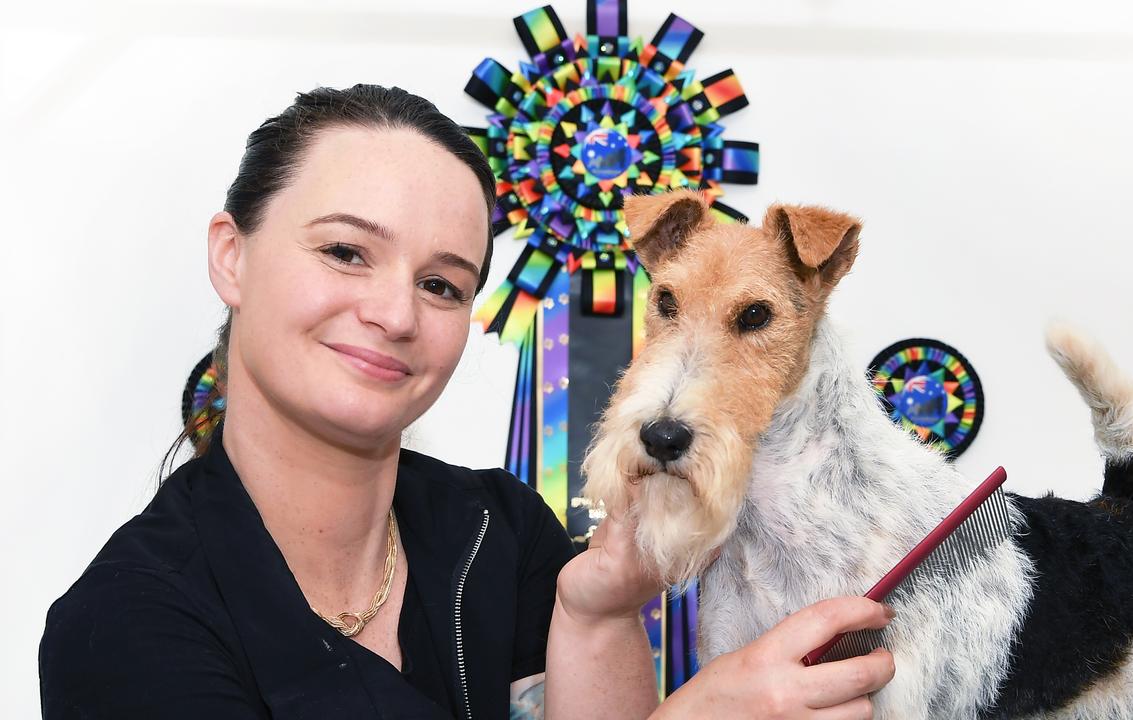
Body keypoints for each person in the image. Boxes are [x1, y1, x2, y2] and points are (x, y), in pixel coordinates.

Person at [38, 84, 896, 719]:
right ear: (232, 256)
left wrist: (594, 612)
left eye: (444, 284)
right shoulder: (122, 626)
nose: (395, 313)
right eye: (345, 251)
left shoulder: (504, 530)